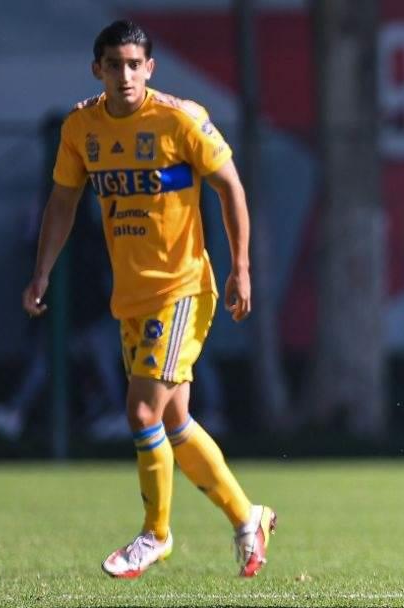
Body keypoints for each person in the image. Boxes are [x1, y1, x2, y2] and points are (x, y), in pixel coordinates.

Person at [22, 20, 275, 579]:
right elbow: (62, 201)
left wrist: (241, 268)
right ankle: (247, 516)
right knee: (175, 421)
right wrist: (42, 271)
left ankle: (155, 534)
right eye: (114, 65)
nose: (125, 75)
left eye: (135, 64)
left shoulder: (180, 119)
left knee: (141, 410)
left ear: (150, 68)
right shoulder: (82, 128)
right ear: (98, 69)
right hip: (132, 296)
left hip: (182, 289)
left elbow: (230, 187)